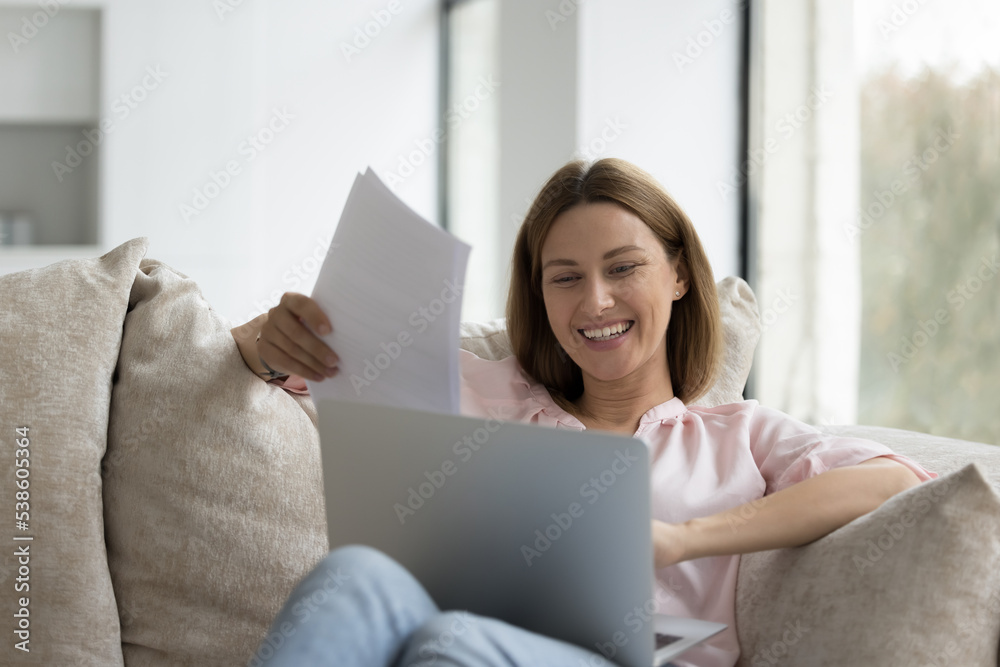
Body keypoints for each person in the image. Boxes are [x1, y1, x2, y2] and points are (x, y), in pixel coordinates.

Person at [232, 158, 936, 667]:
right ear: (541, 298)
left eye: (623, 267)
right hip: (458, 633)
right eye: (565, 278)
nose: (594, 301)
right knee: (357, 573)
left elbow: (894, 479)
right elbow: (286, 363)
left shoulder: (739, 435)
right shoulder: (480, 390)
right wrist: (269, 340)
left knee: (449, 643)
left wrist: (685, 538)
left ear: (680, 275)